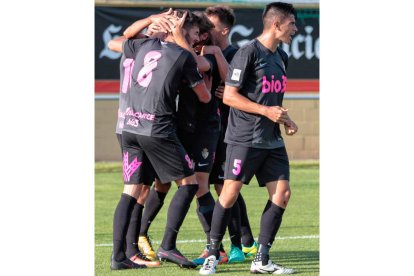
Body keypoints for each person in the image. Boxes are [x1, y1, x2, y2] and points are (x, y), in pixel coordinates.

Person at [199, 2, 298, 275]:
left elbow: (270, 98)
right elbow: (229, 96)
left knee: (283, 194)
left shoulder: (282, 57)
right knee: (229, 193)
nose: (295, 29)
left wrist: (285, 119)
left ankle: (262, 259)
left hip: (272, 140)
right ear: (276, 24)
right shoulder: (247, 53)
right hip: (244, 138)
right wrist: (266, 110)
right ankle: (212, 254)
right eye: (291, 24)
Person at [108, 9, 211, 270]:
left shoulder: (141, 46)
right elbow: (205, 97)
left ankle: (121, 256)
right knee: (188, 183)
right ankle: (167, 245)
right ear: (181, 31)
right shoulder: (182, 55)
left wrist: (152, 19)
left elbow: (120, 38)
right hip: (156, 129)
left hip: (129, 125)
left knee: (132, 190)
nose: (198, 37)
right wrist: (183, 43)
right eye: (195, 32)